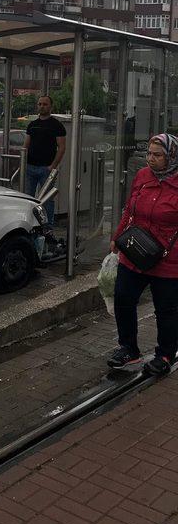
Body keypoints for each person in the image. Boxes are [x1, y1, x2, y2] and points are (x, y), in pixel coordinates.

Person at [108, 133, 178, 375]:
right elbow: (130, 209)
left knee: (166, 310)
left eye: (157, 155)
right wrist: (117, 237)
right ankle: (128, 349)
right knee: (123, 298)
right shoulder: (142, 176)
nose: (150, 159)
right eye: (148, 153)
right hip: (134, 252)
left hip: (168, 260)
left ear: (171, 156)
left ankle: (166, 354)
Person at [24, 95, 66, 229]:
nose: (42, 106)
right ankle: (29, 224)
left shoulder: (57, 125)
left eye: (45, 104)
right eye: (40, 104)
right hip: (30, 167)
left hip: (46, 169)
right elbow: (26, 146)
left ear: (50, 106)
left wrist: (52, 166)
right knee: (27, 198)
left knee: (47, 200)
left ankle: (47, 228)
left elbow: (62, 147)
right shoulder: (32, 125)